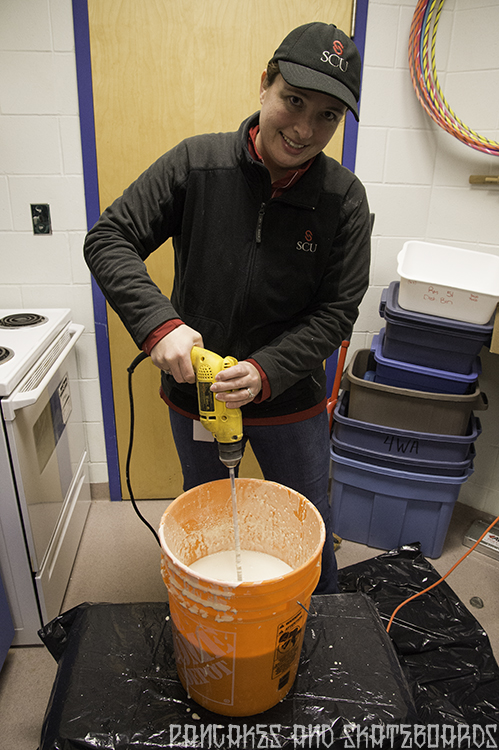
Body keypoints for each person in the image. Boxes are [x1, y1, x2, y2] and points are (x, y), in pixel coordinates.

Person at [84, 22, 371, 594]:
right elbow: (109, 237)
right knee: (211, 515)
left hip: (289, 400)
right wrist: (159, 324)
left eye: (328, 116)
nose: (305, 129)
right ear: (265, 84)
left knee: (308, 524)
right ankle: (217, 619)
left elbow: (337, 311)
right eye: (294, 101)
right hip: (200, 394)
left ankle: (321, 625)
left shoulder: (343, 200)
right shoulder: (197, 164)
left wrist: (267, 370)